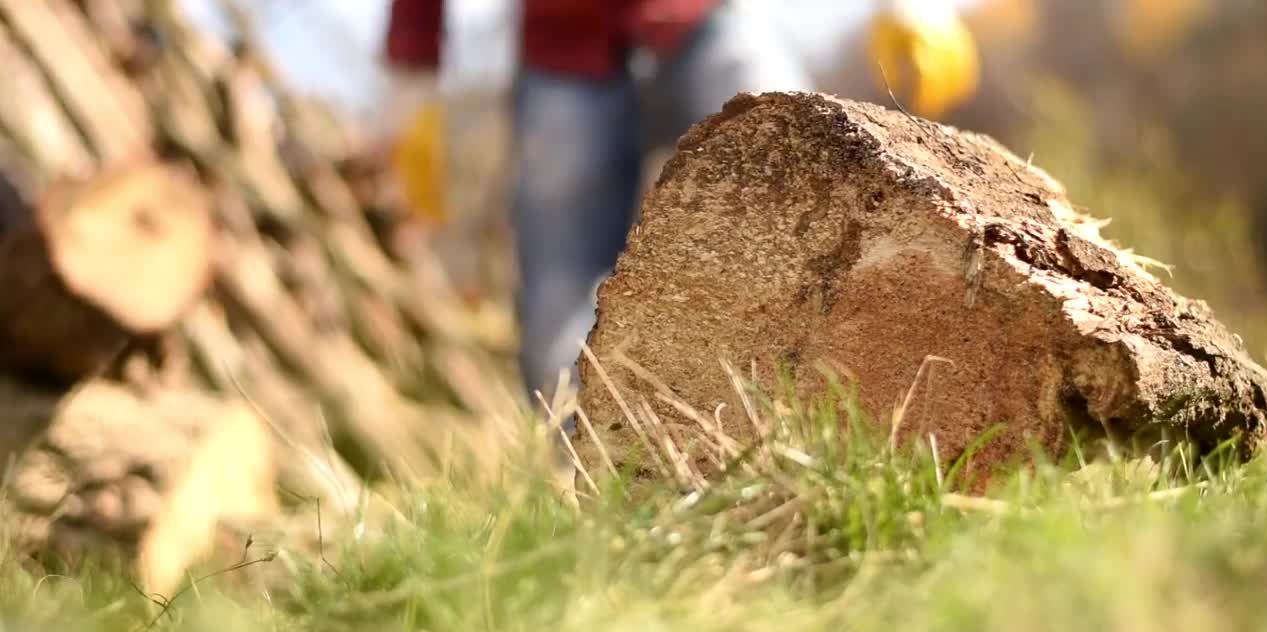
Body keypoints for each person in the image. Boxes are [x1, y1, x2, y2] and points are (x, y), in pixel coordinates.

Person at [381, 0, 981, 408]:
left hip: (701, 24)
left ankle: (858, 403)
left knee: (801, 136)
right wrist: (412, 76)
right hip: (563, 55)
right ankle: (584, 497)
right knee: (558, 308)